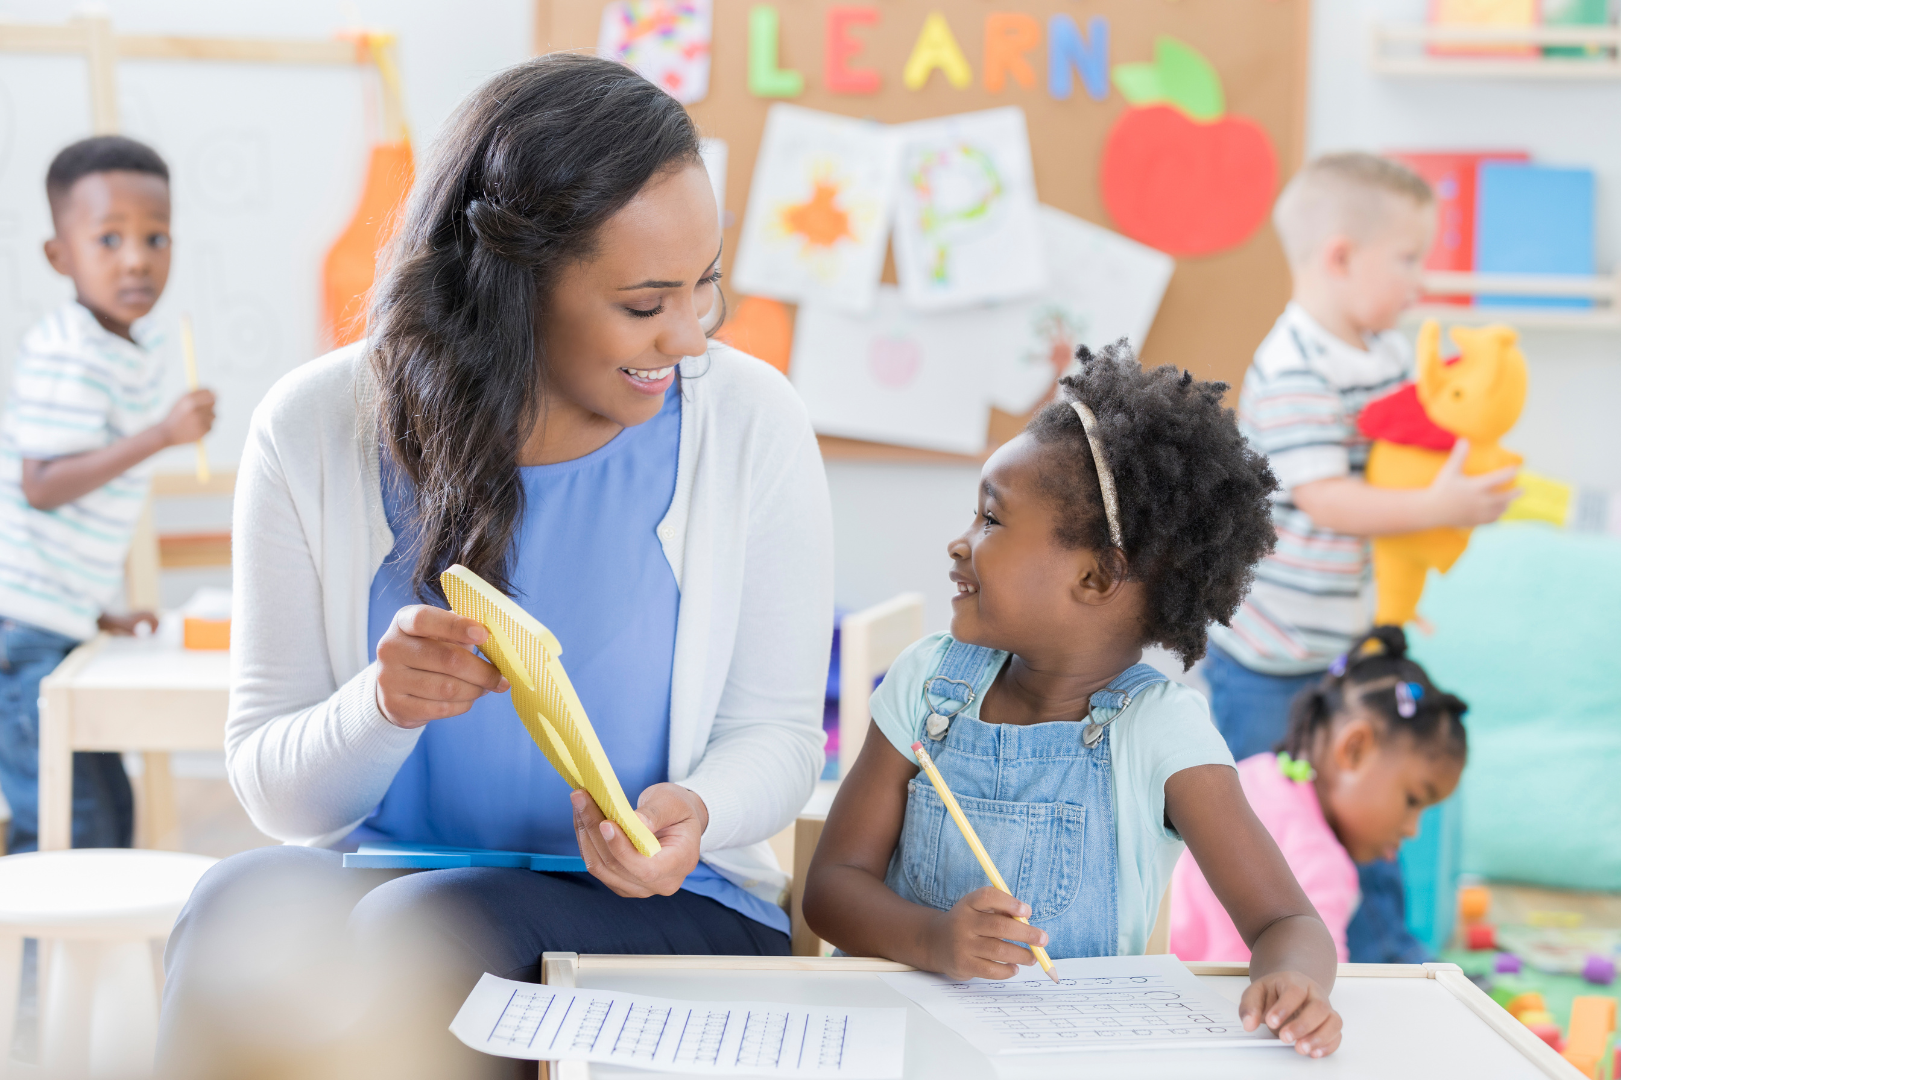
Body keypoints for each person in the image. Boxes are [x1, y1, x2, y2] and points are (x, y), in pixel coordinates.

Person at [158, 55, 831, 1079]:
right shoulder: (312, 427)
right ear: (510, 287)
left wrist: (698, 812)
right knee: (232, 906)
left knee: (421, 934)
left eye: (707, 286)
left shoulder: (749, 423)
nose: (689, 336)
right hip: (390, 871)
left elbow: (777, 738)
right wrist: (380, 706)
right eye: (646, 303)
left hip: (673, 905)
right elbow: (276, 795)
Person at [806, 344, 1346, 1059]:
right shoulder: (926, 686)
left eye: (991, 522)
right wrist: (932, 939)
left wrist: (1295, 982)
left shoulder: (1161, 732)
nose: (959, 544)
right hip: (890, 1044)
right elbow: (830, 889)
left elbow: (1286, 922)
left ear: (1096, 577)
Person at [1203, 152, 1514, 962]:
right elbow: (1329, 498)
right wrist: (1440, 505)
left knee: (1366, 814)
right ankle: (1249, 955)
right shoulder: (1293, 365)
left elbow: (1401, 462)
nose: (1420, 280)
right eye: (1408, 258)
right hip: (1269, 659)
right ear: (1340, 256)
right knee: (1266, 821)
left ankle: (1383, 956)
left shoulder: (1385, 354)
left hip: (1339, 649)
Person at [0, 136, 217, 853]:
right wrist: (162, 435)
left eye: (155, 237)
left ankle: (86, 967)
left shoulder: (125, 344)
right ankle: (38, 965)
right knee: (69, 823)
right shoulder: (69, 350)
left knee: (103, 812)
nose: (136, 258)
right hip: (21, 633)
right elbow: (42, 484)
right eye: (109, 239)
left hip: (53, 619)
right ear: (60, 256)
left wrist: (103, 612)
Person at [1169, 626, 1467, 963]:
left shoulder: (1258, 771)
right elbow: (1317, 988)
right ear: (1354, 749)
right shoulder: (1322, 864)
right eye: (1412, 801)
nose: (1413, 829)